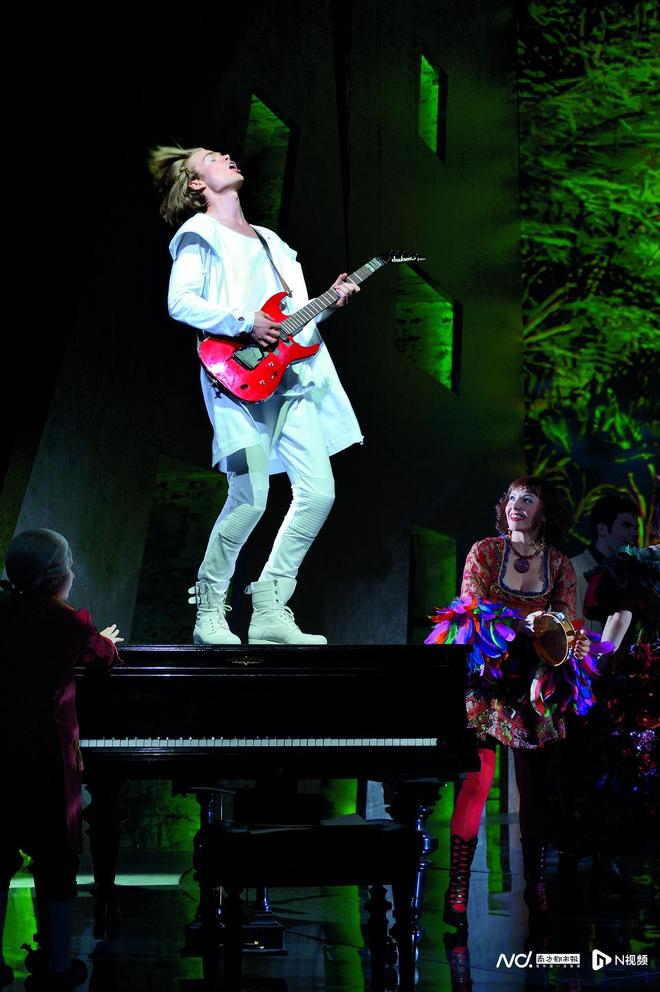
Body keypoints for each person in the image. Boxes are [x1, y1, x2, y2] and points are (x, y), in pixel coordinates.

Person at [148, 145, 362, 645]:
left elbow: (292, 319)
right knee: (250, 497)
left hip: (290, 379)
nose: (225, 155)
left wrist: (330, 303)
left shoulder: (271, 241)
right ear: (196, 184)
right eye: (211, 157)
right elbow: (181, 302)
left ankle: (269, 607)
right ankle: (209, 609)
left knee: (319, 493)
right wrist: (245, 322)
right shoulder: (199, 232)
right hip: (236, 378)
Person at [426, 476, 596, 931]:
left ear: (544, 512)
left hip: (534, 685)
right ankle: (457, 888)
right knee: (475, 783)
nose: (516, 505)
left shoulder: (558, 564)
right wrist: (519, 623)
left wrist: (564, 635)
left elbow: (567, 623)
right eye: (511, 498)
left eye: (528, 499)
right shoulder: (485, 551)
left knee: (534, 791)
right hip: (488, 681)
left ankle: (535, 885)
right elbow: (470, 607)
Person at [0, 530, 121, 990]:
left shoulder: (4, 613)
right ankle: (55, 965)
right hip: (47, 758)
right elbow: (101, 656)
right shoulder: (64, 622)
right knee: (55, 860)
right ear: (56, 577)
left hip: (1, 754)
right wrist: (103, 639)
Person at [570, 495, 639, 633]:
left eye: (635, 527)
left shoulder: (631, 574)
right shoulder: (572, 568)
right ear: (602, 529)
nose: (634, 533)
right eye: (626, 525)